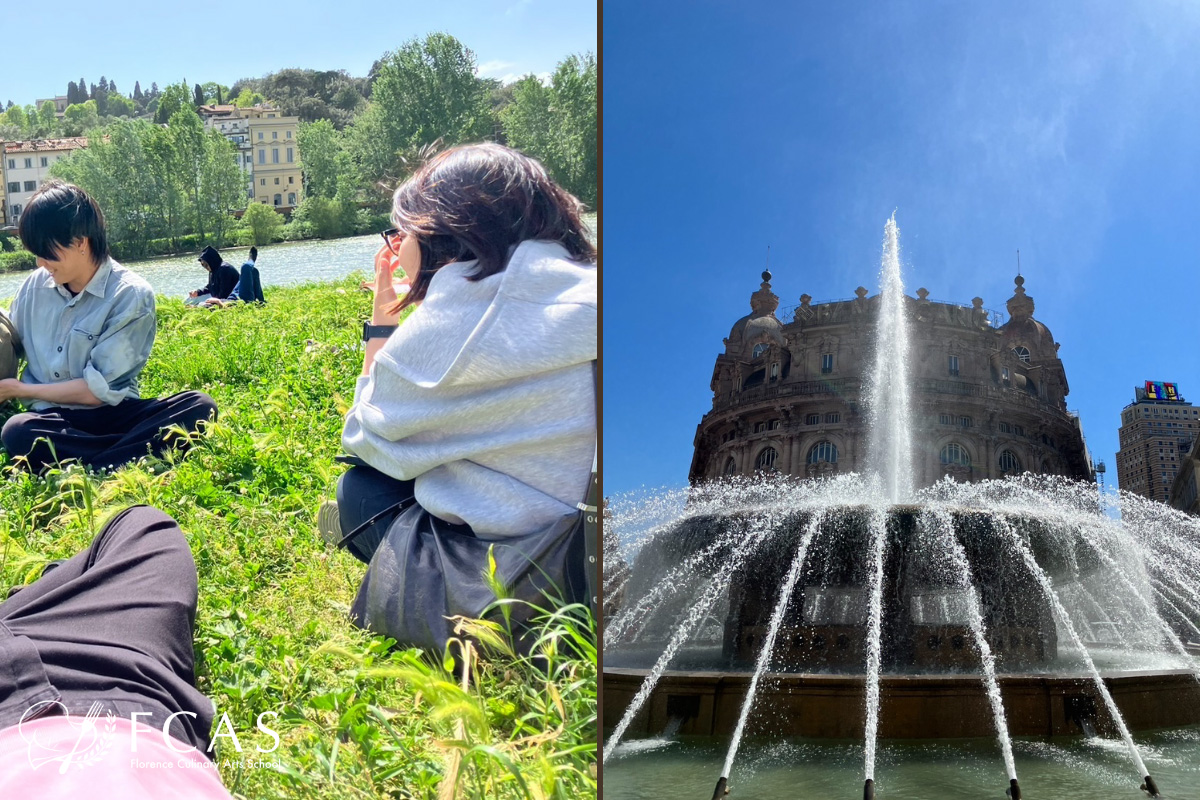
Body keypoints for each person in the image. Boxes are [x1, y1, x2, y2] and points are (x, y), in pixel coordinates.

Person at [318, 143, 596, 580]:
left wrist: (382, 315)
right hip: (595, 555)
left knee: (360, 490)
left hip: (525, 578)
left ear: (439, 231)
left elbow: (361, 437)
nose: (397, 247)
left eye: (400, 232)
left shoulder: (457, 316)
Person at [0, 505, 234, 798]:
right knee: (145, 527)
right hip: (120, 696)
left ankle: (53, 593)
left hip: (108, 697)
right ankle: (53, 593)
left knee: (145, 529)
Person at [0, 181, 218, 474]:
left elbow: (96, 392)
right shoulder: (34, 286)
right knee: (17, 430)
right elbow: (9, 336)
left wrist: (18, 389)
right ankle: (125, 458)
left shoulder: (130, 294)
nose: (41, 262)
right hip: (54, 421)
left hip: (115, 414)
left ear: (80, 241)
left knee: (200, 407)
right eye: (35, 253)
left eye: (47, 252)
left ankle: (91, 465)